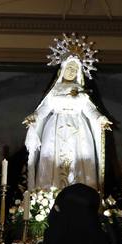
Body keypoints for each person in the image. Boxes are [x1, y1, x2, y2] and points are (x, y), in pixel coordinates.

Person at [24, 41, 111, 192]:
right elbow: (45, 107)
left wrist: (100, 119)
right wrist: (35, 116)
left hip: (79, 130)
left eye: (75, 69)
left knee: (79, 160)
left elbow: (90, 110)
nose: (71, 71)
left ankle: (81, 192)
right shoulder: (55, 90)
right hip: (56, 129)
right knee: (52, 159)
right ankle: (49, 193)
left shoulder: (81, 91)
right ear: (63, 69)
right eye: (69, 67)